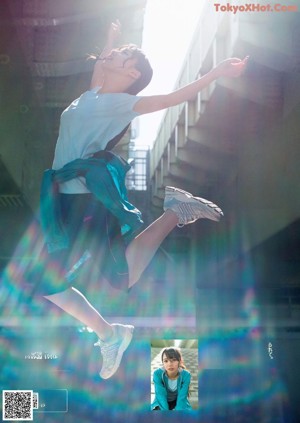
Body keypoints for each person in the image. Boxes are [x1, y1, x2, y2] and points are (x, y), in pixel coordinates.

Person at [40, 20, 248, 379]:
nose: (111, 55)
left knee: (57, 281)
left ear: (132, 72)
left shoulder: (123, 104)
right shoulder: (92, 95)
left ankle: (111, 331)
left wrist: (216, 71)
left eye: (121, 55)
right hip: (66, 200)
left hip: (81, 203)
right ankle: (111, 330)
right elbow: (99, 63)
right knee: (72, 281)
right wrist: (111, 39)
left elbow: (173, 99)